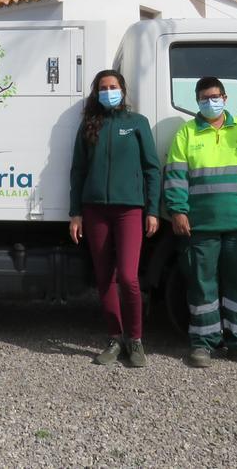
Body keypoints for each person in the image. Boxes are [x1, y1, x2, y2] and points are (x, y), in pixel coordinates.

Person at [164, 77, 237, 369]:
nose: (210, 102)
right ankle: (203, 344)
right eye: (204, 98)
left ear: (225, 98)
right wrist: (177, 211)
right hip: (200, 225)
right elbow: (176, 176)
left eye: (215, 96)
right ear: (197, 101)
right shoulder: (187, 133)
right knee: (202, 285)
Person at [69, 70, 160, 367]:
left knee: (128, 278)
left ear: (123, 90)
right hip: (95, 210)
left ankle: (135, 340)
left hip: (129, 210)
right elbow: (78, 171)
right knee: (104, 278)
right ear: (96, 93)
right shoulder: (89, 125)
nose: (109, 92)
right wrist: (76, 213)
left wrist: (153, 210)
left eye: (113, 87)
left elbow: (151, 169)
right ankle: (114, 338)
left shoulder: (137, 123)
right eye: (103, 88)